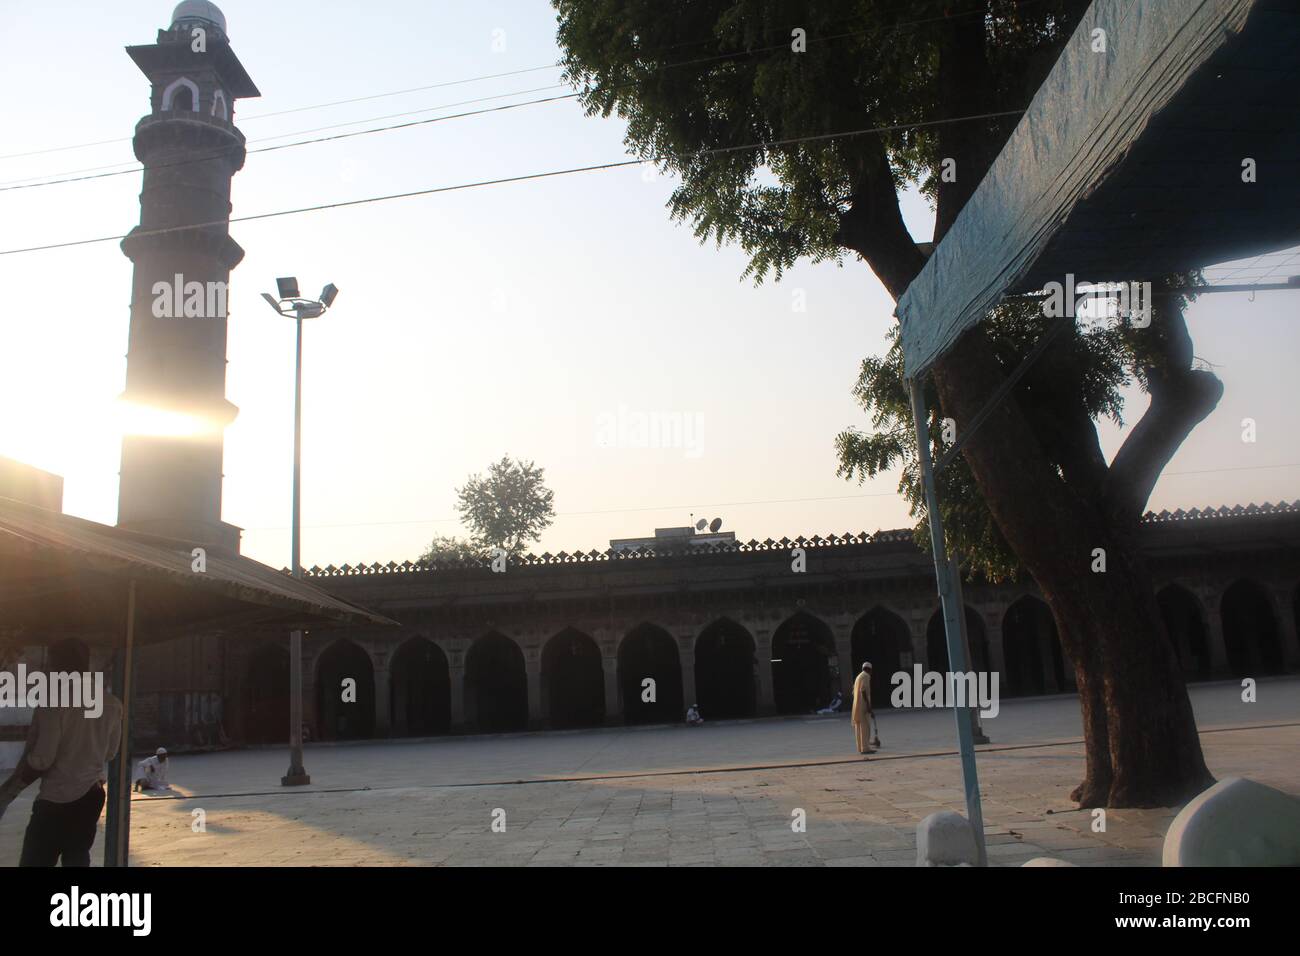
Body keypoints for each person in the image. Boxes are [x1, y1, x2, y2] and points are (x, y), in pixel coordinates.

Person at [0, 639, 123, 867]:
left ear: (60, 667)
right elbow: (110, 753)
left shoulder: (53, 703)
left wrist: (9, 792)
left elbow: (42, 760)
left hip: (57, 800)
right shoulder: (112, 704)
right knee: (77, 857)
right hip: (91, 796)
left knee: (35, 861)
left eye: (51, 665)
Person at [851, 661, 875, 756]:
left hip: (857, 705)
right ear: (869, 669)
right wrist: (868, 706)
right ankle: (866, 748)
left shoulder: (858, 676)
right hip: (863, 706)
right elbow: (863, 690)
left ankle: (861, 747)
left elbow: (853, 692)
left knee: (859, 727)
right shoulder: (866, 676)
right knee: (865, 727)